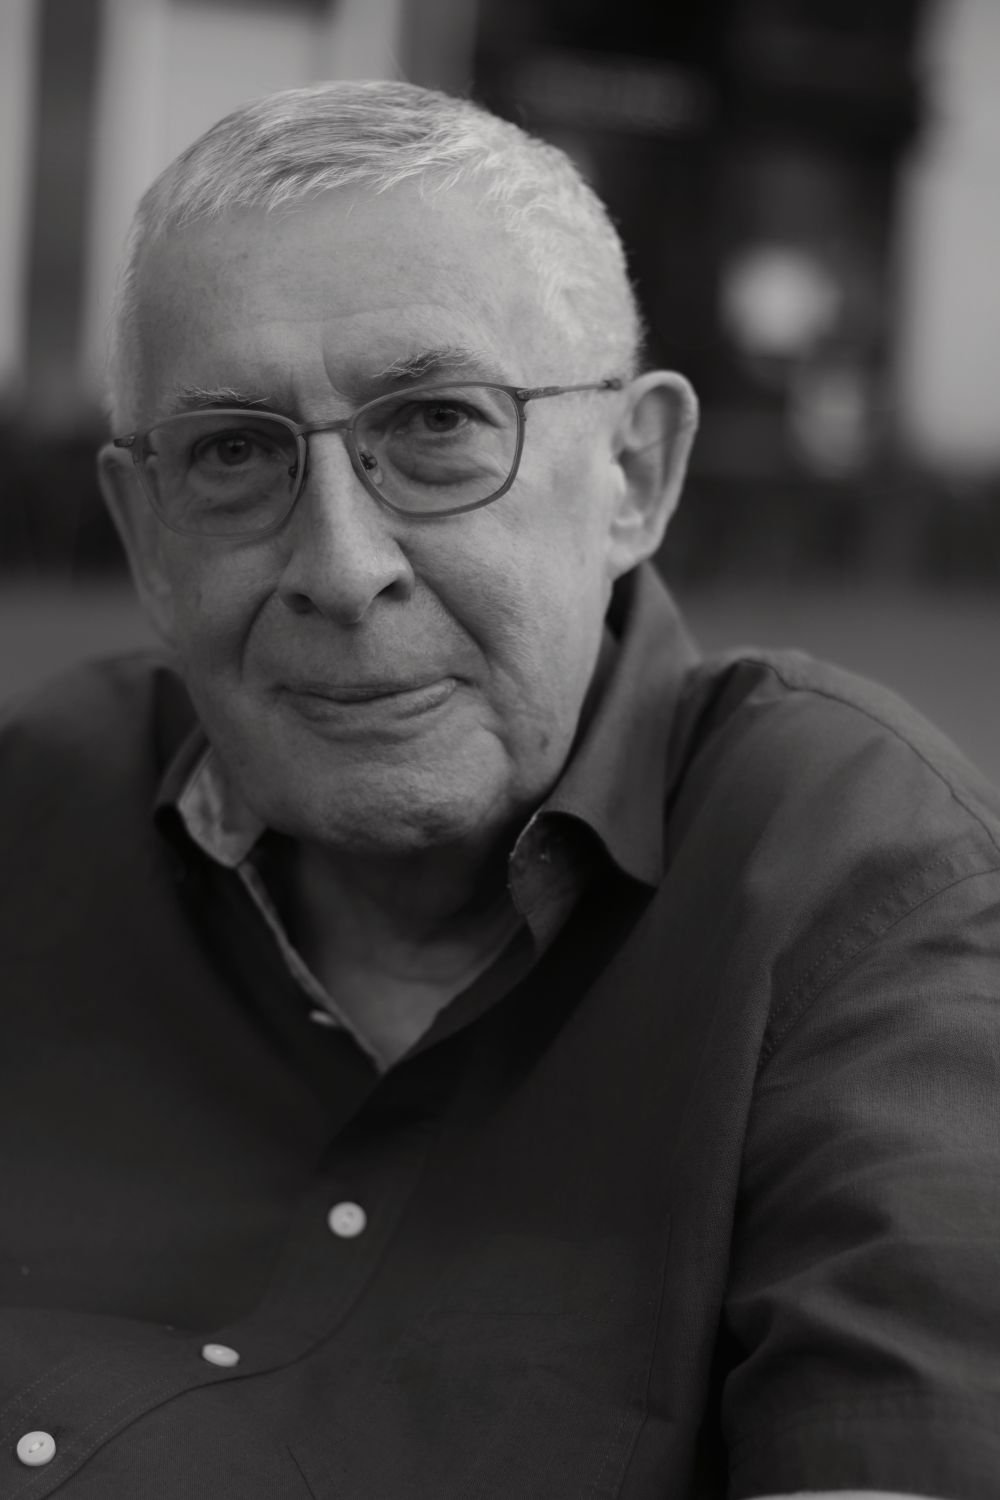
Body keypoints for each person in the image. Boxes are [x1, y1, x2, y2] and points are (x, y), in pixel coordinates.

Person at [0, 80, 997, 1500]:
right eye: (234, 452)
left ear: (633, 474)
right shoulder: (35, 816)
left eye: (438, 425)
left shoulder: (851, 877)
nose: (342, 568)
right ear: (146, 537)